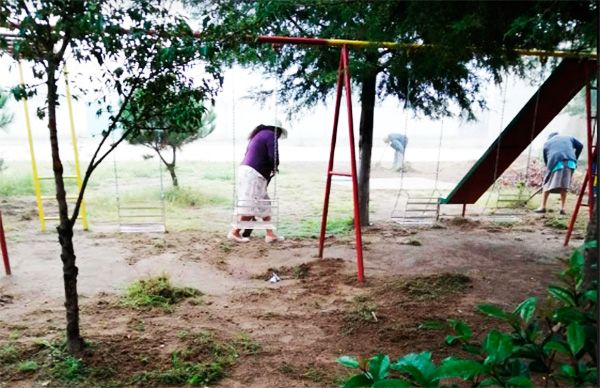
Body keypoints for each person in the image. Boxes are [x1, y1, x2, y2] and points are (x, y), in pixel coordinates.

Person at [228, 124, 287, 243]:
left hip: (249, 171)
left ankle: (270, 234)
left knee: (264, 204)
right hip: (254, 173)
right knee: (251, 205)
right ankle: (234, 232)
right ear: (277, 130)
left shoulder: (258, 135)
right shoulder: (271, 135)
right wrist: (275, 167)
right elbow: (273, 156)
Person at [534, 132, 583, 215]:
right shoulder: (569, 137)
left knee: (546, 183)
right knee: (564, 185)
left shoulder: (547, 143)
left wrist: (548, 171)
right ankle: (562, 208)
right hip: (570, 162)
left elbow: (547, 160)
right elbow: (580, 146)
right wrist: (575, 157)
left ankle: (542, 207)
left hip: (556, 163)